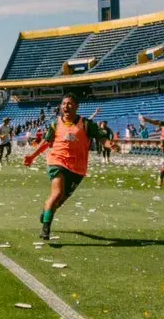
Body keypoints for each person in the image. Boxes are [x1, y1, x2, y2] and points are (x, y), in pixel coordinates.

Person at [23, 95, 109, 240]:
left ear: (76, 107)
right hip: (57, 161)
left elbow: (102, 138)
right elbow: (46, 142)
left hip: (78, 168)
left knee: (61, 201)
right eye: (63, 104)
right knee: (57, 193)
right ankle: (46, 228)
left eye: (69, 104)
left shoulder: (87, 124)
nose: (66, 106)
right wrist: (32, 156)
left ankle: (46, 214)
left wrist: (110, 144)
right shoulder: (55, 124)